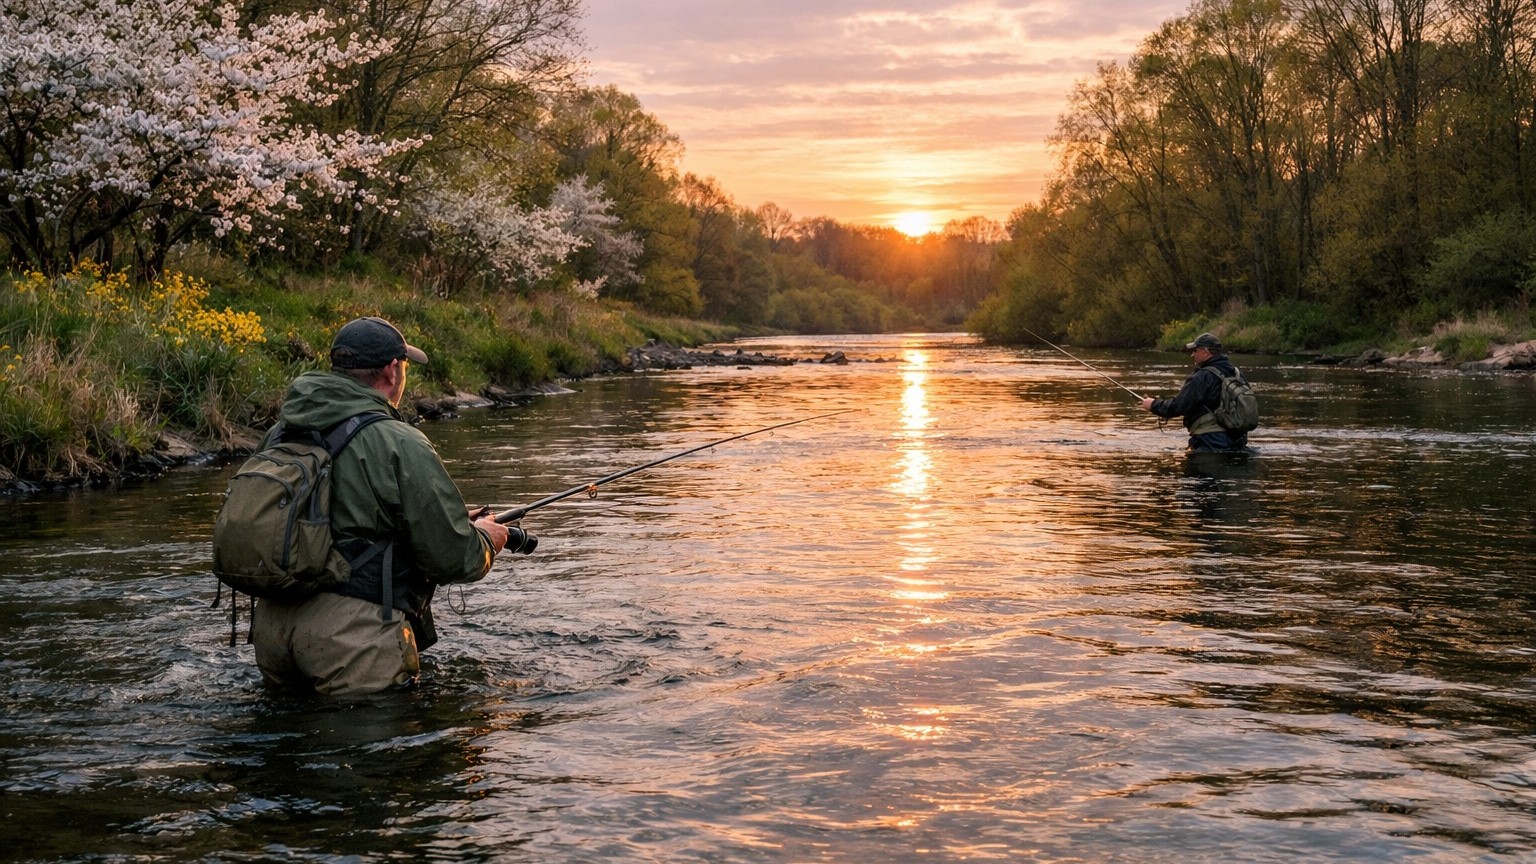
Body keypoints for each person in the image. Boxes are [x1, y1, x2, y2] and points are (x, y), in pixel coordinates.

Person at [250, 316, 511, 696]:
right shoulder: (398, 441)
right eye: (404, 367)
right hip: (351, 638)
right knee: (384, 752)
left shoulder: (280, 431)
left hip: (272, 632)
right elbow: (454, 557)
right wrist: (486, 539)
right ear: (391, 371)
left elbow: (326, 523)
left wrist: (446, 517)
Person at [1139, 331, 1252, 452]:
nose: (1192, 355)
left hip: (1210, 442)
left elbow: (1179, 406)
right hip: (1238, 440)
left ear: (1205, 352)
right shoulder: (1237, 374)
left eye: (1195, 350)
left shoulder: (1202, 376)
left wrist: (1152, 405)